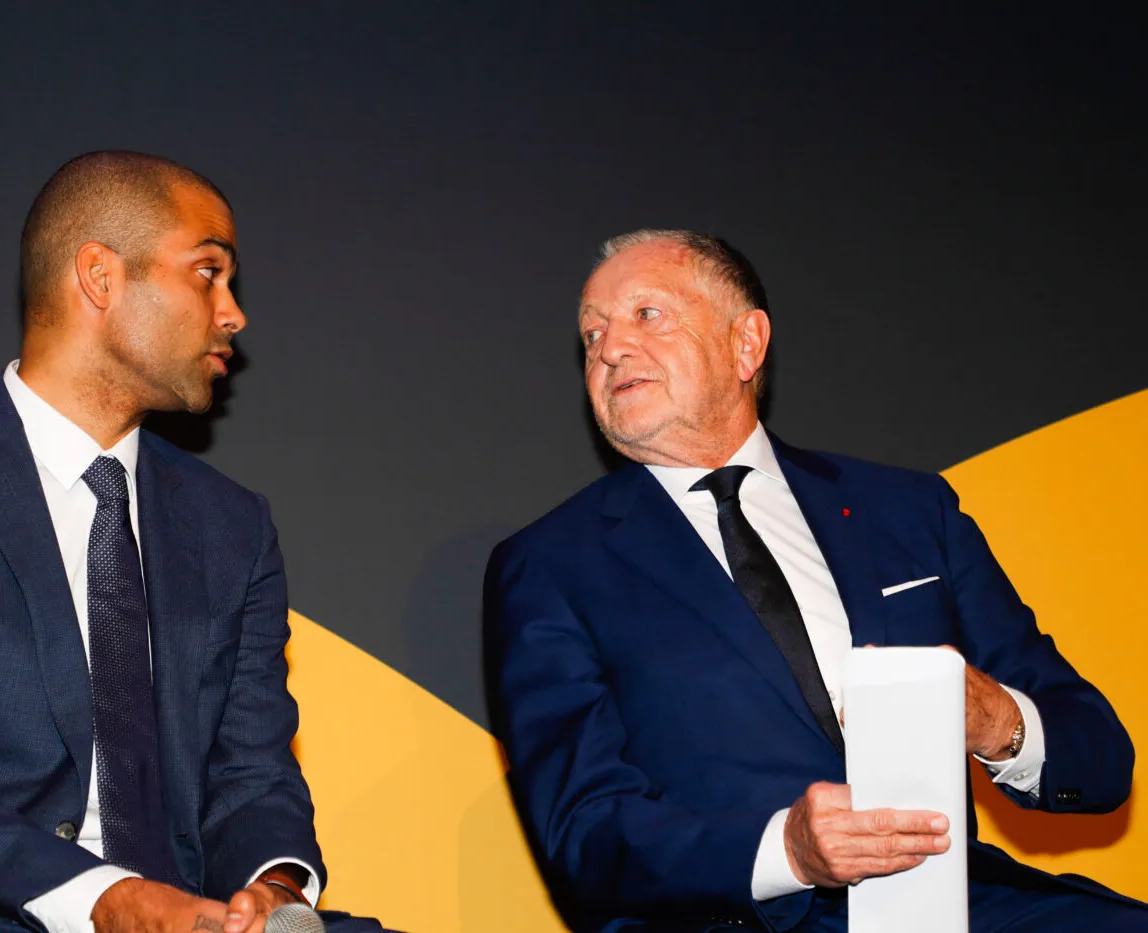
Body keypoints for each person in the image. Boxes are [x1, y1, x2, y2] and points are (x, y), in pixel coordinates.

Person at [483, 229, 1145, 932]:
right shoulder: (550, 566)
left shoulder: (909, 511)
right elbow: (584, 834)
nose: (611, 347)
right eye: (592, 334)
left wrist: (998, 723)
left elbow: (1100, 758)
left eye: (648, 314)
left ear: (746, 343)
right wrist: (787, 851)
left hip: (963, 905)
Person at [0, 151, 392, 933]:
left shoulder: (233, 525)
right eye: (209, 273)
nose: (233, 313)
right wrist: (111, 901)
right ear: (100, 277)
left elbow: (254, 774)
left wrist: (271, 892)